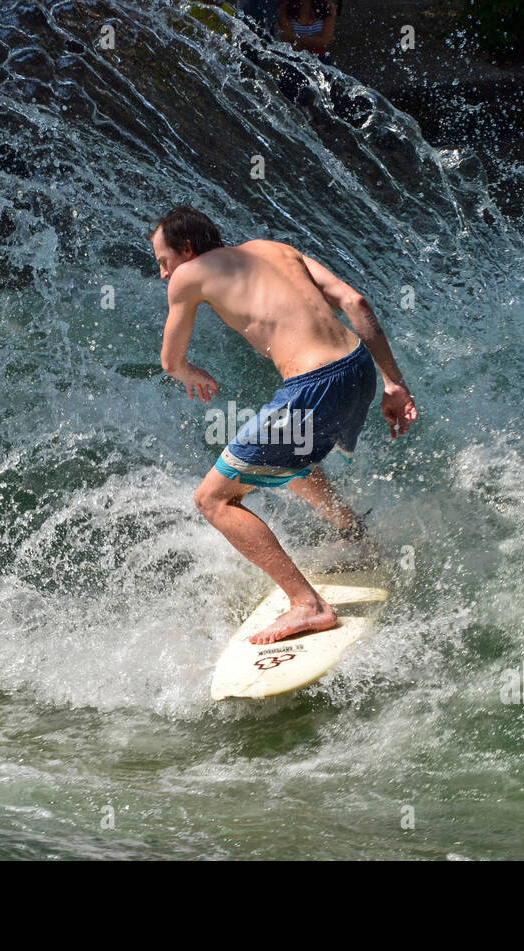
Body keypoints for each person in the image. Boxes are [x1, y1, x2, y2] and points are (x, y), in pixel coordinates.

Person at [149, 206, 417, 644]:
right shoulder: (273, 248)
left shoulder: (188, 275)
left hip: (314, 384)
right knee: (286, 452)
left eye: (163, 261)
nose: (163, 274)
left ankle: (308, 606)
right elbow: (355, 302)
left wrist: (188, 372)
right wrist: (393, 383)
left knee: (213, 499)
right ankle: (353, 535)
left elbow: (170, 360)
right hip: (357, 370)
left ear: (188, 249)